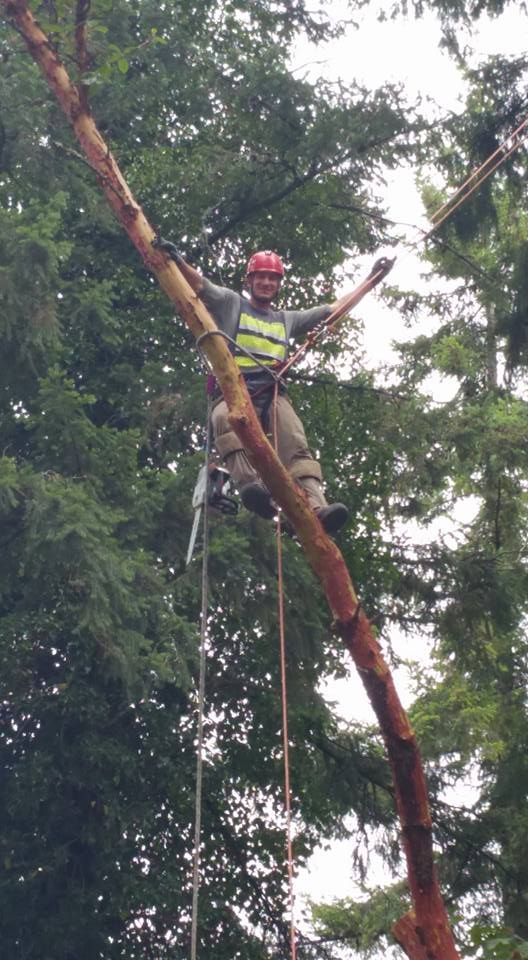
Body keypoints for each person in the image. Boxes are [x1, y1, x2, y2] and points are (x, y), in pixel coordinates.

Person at [158, 243, 350, 534]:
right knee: (225, 419)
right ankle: (252, 488)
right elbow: (199, 285)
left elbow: (332, 310)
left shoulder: (287, 320)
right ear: (249, 280)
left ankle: (316, 507)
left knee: (294, 439)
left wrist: (373, 277)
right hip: (235, 387)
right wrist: (177, 259)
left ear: (278, 285)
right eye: (260, 277)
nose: (266, 283)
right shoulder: (231, 303)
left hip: (272, 392)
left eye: (272, 278)